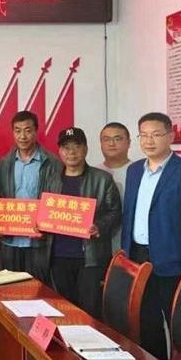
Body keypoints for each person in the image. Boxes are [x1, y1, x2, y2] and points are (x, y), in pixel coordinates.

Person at [122, 112, 181, 360]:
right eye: (144, 135)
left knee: (180, 328)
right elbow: (129, 214)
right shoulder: (133, 171)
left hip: (174, 263)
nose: (149, 141)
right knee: (145, 322)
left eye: (156, 134)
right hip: (138, 257)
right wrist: (125, 255)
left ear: (171, 136)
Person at [41, 128, 122, 318]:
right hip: (58, 257)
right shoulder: (52, 180)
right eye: (66, 147)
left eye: (76, 147)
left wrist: (99, 226)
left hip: (90, 259)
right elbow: (44, 211)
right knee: (64, 311)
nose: (71, 152)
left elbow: (115, 212)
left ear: (85, 149)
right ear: (59, 151)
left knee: (90, 312)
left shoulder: (102, 179)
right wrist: (40, 224)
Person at [0, 111, 61, 282]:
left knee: (38, 288)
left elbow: (56, 200)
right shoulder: (4, 164)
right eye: (18, 131)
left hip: (39, 240)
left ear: (36, 131)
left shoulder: (52, 163)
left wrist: (46, 225)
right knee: (10, 289)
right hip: (10, 240)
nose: (22, 136)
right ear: (13, 132)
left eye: (28, 130)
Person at [97, 122, 132, 253]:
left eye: (118, 139)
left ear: (129, 142)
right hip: (99, 245)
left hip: (129, 246)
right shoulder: (93, 173)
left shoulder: (138, 172)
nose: (111, 144)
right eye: (106, 139)